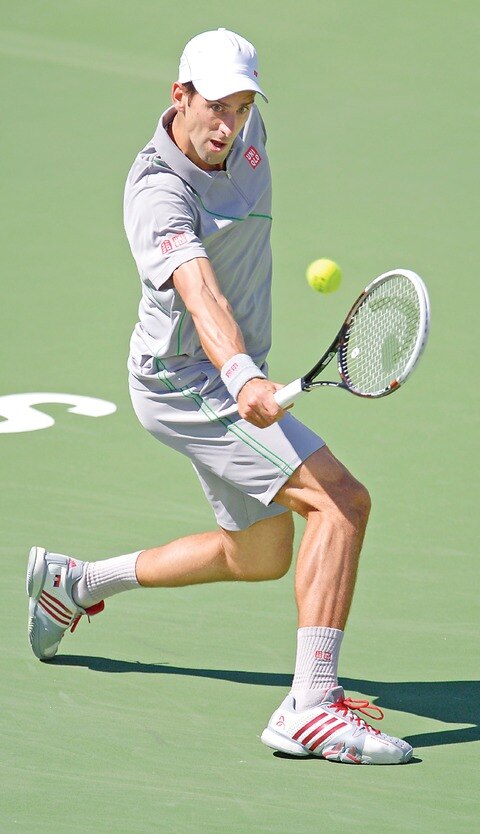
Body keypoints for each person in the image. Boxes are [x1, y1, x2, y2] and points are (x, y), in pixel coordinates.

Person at [26, 28, 412, 765]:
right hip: (187, 382)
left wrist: (247, 370)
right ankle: (310, 707)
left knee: (260, 554)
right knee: (342, 502)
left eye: (241, 106)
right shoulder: (156, 192)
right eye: (214, 108)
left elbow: (239, 128)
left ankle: (75, 584)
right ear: (177, 97)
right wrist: (242, 377)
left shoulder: (244, 129)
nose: (229, 127)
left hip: (228, 372)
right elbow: (200, 293)